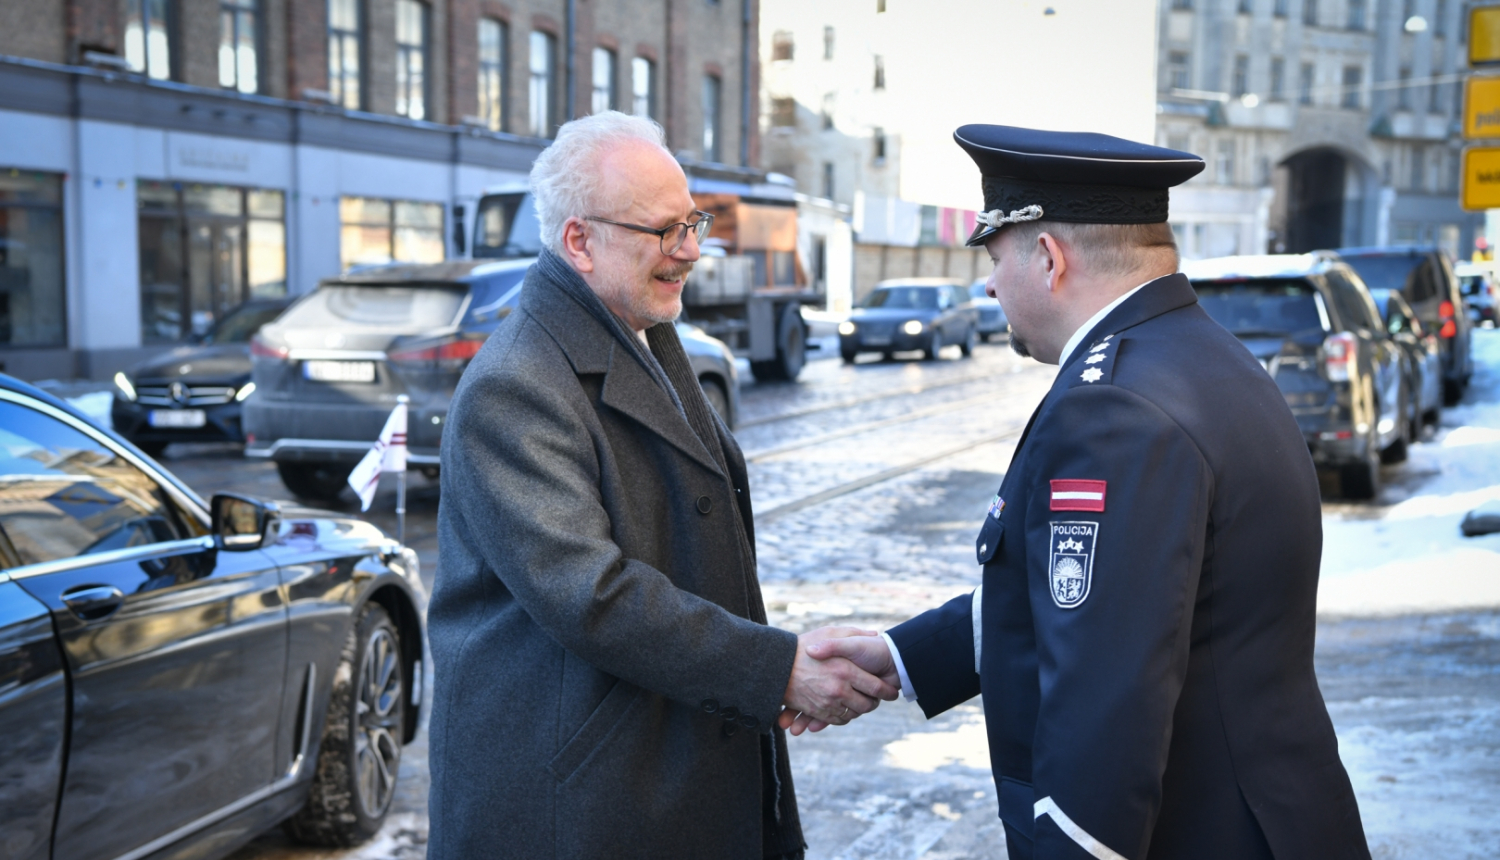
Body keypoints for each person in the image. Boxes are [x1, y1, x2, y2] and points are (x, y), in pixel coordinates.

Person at [797, 125, 1372, 860]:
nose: (990, 284)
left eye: (997, 256)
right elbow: (1118, 599)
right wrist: (902, 655)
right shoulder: (1198, 354)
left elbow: (1108, 706)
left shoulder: (1113, 409)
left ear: (1048, 257)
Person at [425, 111, 897, 860]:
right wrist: (776, 670)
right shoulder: (517, 385)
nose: (691, 251)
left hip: (651, 768)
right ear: (579, 240)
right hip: (578, 801)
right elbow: (593, 595)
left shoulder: (642, 328)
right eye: (663, 232)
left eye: (693, 222)